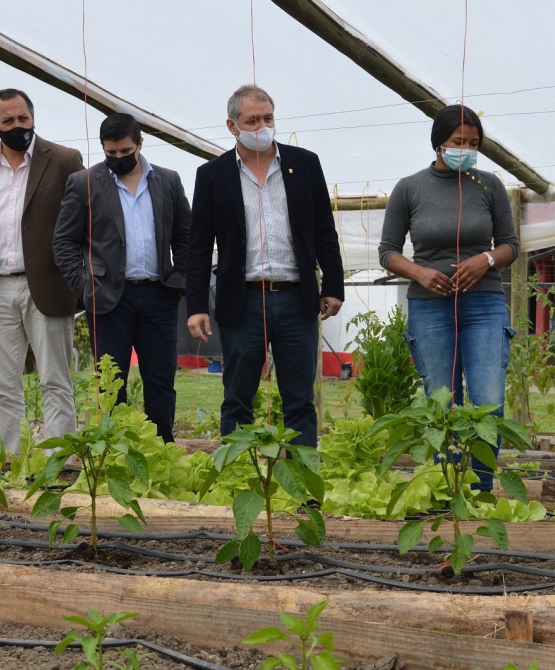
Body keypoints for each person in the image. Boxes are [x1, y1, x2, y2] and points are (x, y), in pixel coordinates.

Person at [185, 84, 345, 449]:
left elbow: (324, 229)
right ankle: (239, 472)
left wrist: (333, 284)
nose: (262, 126)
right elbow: (198, 247)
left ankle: (303, 478)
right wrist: (195, 306)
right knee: (238, 394)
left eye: (268, 118)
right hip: (242, 300)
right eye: (252, 120)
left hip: (295, 297)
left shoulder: (305, 164)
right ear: (232, 125)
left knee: (300, 397)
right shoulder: (212, 175)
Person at [378, 105, 519, 492]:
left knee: (488, 399)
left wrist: (485, 259)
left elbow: (511, 245)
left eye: (474, 143)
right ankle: (449, 489)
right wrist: (420, 272)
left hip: (484, 303)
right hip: (430, 305)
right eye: (459, 142)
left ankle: (481, 489)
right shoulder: (409, 188)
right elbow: (387, 251)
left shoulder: (490, 185)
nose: (467, 149)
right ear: (440, 141)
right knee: (443, 401)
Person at [53, 113, 192, 442]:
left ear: (140, 144)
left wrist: (180, 280)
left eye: (125, 151)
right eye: (110, 153)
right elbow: (63, 242)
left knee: (160, 380)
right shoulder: (83, 182)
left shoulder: (168, 181)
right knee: (110, 383)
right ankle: (115, 451)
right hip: (108, 298)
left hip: (159, 295)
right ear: (103, 149)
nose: (118, 158)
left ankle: (160, 449)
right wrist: (86, 286)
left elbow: (185, 237)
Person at [0, 88, 83, 456]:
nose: (18, 126)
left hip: (48, 285)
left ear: (33, 118)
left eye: (24, 119)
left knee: (55, 379)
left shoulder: (64, 159)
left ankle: (57, 460)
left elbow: (83, 220)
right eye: (8, 121)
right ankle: (11, 458)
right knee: (1, 382)